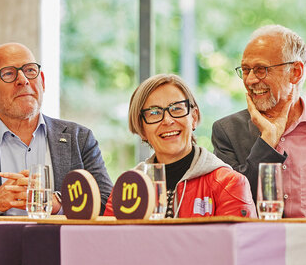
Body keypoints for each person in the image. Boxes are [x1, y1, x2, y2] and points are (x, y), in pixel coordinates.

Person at [0, 42, 113, 215]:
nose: (23, 80)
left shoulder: (79, 139)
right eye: (8, 74)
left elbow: (108, 203)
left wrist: (56, 202)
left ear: (42, 82)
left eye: (30, 70)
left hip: (61, 242)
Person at [211, 25, 306, 217]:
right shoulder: (227, 132)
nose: (250, 80)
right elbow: (232, 202)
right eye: (246, 70)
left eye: (261, 69)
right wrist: (267, 143)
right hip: (262, 237)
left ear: (295, 72)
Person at [104, 74, 256, 218]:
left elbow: (238, 237)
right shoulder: (127, 188)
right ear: (141, 128)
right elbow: (108, 237)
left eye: (176, 108)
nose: (167, 120)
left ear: (194, 118)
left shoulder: (228, 184)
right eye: (154, 113)